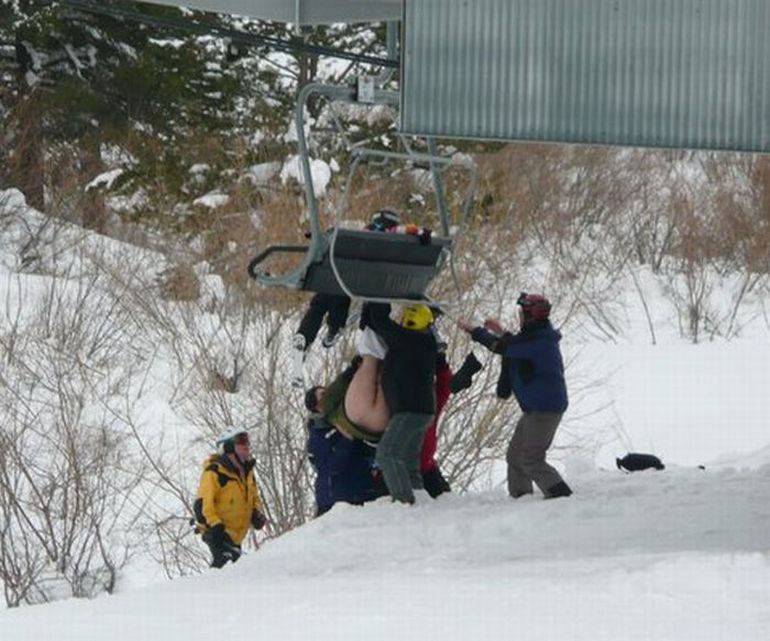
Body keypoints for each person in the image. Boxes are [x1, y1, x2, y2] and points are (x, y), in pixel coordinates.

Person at [458, 293, 572, 500]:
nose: (519, 315)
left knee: (531, 460)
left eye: (522, 312)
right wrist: (501, 331)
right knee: (515, 457)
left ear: (530, 316)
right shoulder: (536, 335)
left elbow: (504, 348)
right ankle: (521, 498)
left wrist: (475, 331)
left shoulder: (539, 340)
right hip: (534, 409)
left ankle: (561, 497)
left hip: (545, 410)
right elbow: (516, 345)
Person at [291, 210, 402, 388]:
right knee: (340, 286)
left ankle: (307, 337)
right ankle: (335, 327)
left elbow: (334, 241)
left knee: (324, 299)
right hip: (374, 285)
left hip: (349, 280)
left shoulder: (361, 236)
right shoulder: (401, 241)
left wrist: (322, 238)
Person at [367, 302, 438, 504]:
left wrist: (377, 298)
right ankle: (419, 495)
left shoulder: (411, 339)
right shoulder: (423, 341)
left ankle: (403, 500)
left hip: (410, 410)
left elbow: (383, 324)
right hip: (419, 410)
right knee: (408, 460)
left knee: (387, 453)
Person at [193, 426, 267, 568]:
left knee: (234, 570)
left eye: (247, 440)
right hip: (218, 535)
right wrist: (215, 526)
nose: (246, 445)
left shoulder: (247, 473)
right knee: (224, 568)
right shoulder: (214, 473)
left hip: (236, 536)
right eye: (241, 441)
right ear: (227, 448)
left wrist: (256, 513)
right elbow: (202, 504)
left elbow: (254, 497)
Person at [305, 407, 388, 517]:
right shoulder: (317, 437)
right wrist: (346, 440)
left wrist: (376, 465)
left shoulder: (347, 423)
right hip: (335, 499)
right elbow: (332, 466)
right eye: (322, 395)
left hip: (364, 490)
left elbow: (365, 449)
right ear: (316, 407)